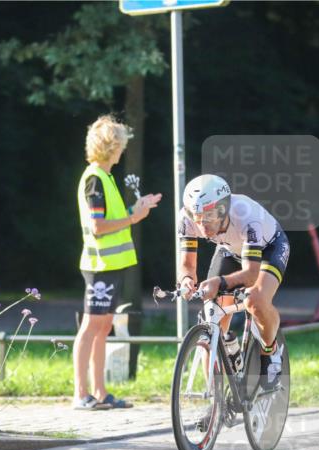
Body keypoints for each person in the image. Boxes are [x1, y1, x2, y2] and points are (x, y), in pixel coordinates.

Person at [73, 115, 161, 409]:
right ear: (111, 147)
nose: (123, 149)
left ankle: (100, 392)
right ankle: (81, 394)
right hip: (99, 267)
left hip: (110, 267)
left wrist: (134, 208)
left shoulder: (104, 177)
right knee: (91, 326)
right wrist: (133, 217)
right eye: (121, 144)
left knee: (103, 327)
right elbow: (98, 227)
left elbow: (107, 219)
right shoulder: (96, 179)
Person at [176, 174, 290, 388]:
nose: (202, 225)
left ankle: (271, 350)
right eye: (196, 217)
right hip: (230, 250)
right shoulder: (186, 218)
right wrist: (186, 280)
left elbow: (250, 275)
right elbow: (187, 264)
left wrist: (218, 282)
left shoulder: (247, 215)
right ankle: (214, 399)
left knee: (254, 300)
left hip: (269, 249)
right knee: (211, 317)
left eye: (208, 216)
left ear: (223, 209)